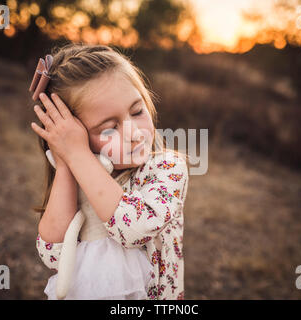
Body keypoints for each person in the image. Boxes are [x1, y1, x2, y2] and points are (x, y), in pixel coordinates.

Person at [30, 43, 189, 300]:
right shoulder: (81, 170)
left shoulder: (166, 168)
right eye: (109, 128)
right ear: (76, 135)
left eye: (137, 111)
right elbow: (53, 254)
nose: (133, 133)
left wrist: (80, 155)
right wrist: (68, 161)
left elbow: (135, 229)